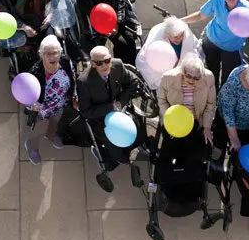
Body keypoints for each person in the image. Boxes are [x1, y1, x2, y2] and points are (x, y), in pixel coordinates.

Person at [76, 46, 142, 185]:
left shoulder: (117, 65)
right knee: (116, 150)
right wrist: (110, 108)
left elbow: (134, 82)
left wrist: (120, 102)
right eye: (99, 63)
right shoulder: (84, 82)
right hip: (101, 120)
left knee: (138, 134)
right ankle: (116, 157)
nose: (105, 65)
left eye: (107, 60)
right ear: (93, 64)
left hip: (121, 110)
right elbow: (86, 111)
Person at [180, 0, 249, 89]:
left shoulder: (248, 10)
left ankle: (221, 101)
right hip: (211, 41)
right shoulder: (217, 0)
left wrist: (244, 28)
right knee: (210, 72)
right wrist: (180, 21)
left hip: (232, 48)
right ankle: (212, 93)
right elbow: (200, 15)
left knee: (228, 77)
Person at [23, 35, 74, 165]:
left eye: (55, 53)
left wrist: (74, 95)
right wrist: (32, 106)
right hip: (43, 109)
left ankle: (50, 135)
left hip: (61, 103)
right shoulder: (35, 73)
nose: (52, 57)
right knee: (40, 127)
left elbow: (73, 77)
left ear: (60, 53)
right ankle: (31, 145)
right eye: (47, 54)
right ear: (41, 55)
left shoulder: (66, 61)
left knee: (55, 122)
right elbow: (26, 96)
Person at [157, 54, 216, 144]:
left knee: (196, 153)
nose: (192, 80)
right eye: (188, 76)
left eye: (196, 78)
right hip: (174, 119)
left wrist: (206, 127)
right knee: (168, 150)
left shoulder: (208, 78)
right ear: (182, 71)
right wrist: (170, 120)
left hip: (196, 120)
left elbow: (210, 104)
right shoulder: (168, 77)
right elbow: (162, 100)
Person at [137, 16, 202, 86]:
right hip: (162, 68)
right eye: (176, 37)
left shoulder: (187, 35)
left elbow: (196, 48)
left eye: (182, 35)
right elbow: (146, 61)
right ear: (167, 35)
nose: (180, 39)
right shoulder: (157, 40)